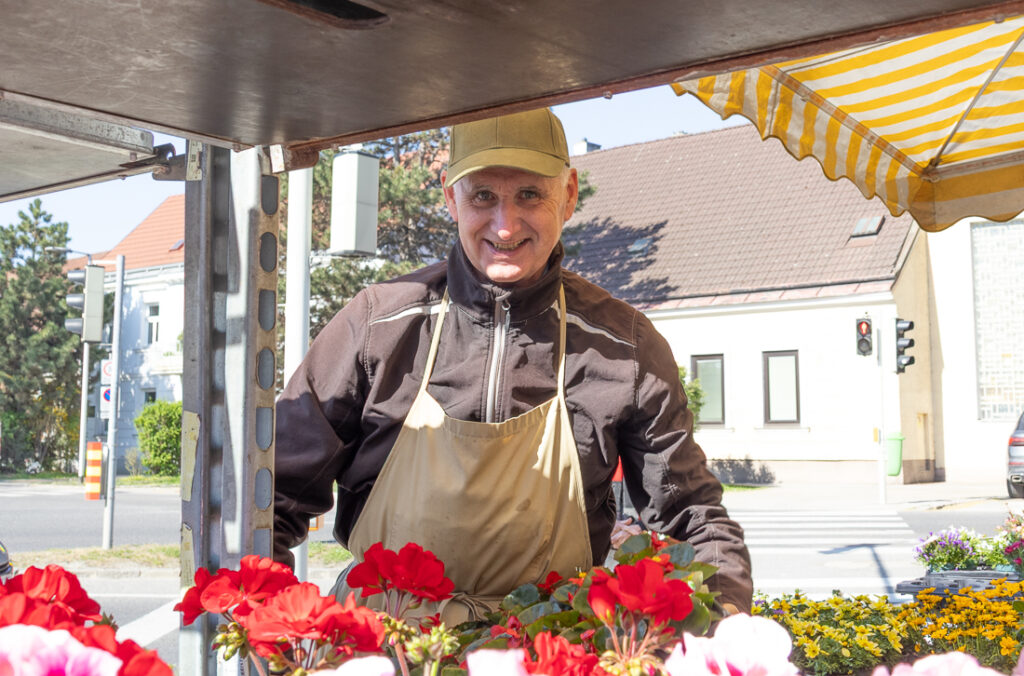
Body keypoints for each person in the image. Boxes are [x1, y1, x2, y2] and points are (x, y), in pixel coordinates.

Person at [273, 107, 752, 622]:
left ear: (568, 195)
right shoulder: (377, 326)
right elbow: (271, 497)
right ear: (450, 197)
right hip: (384, 643)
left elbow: (692, 518)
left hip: (552, 644)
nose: (505, 226)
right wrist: (278, 629)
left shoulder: (625, 346)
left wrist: (727, 624)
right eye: (482, 196)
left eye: (529, 194)